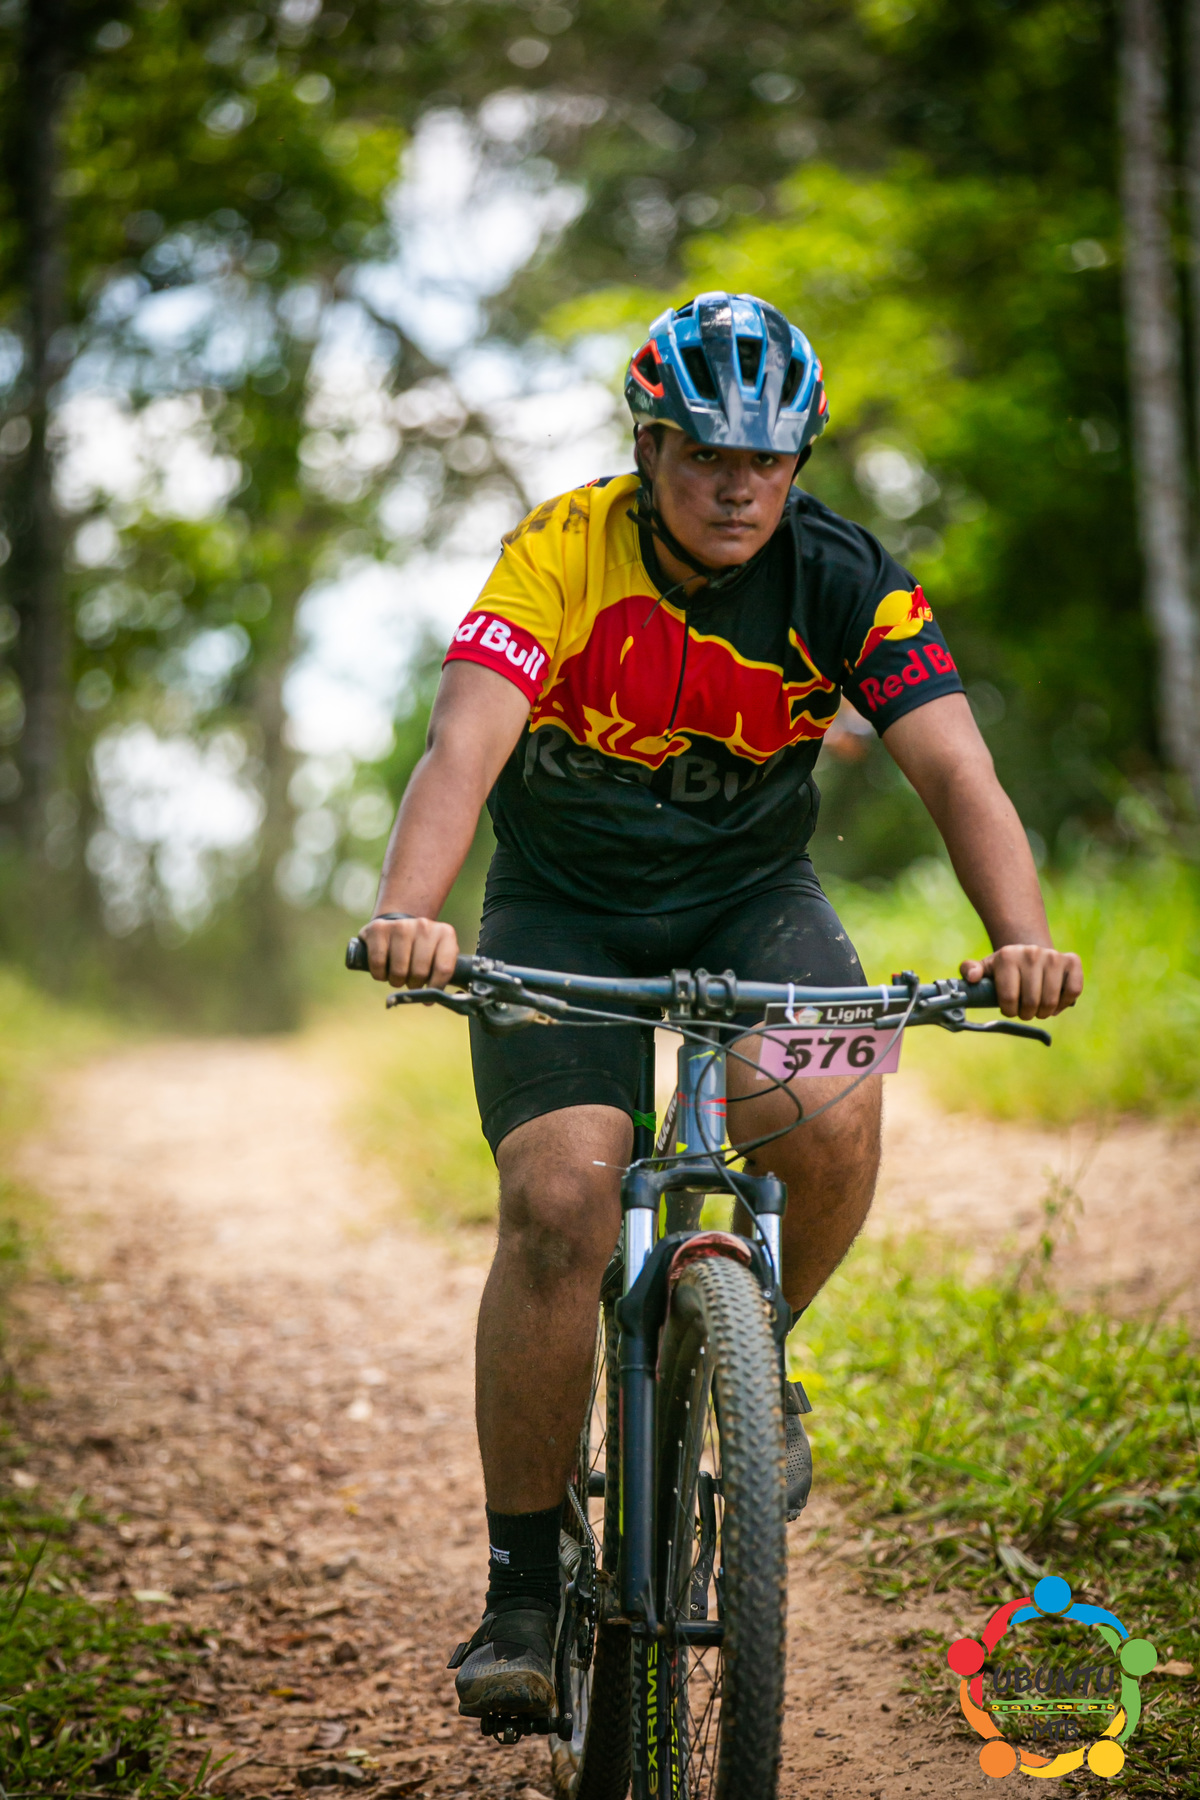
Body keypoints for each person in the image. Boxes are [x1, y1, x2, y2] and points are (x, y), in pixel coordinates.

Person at [360, 291, 1083, 1721]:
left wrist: (1024, 942)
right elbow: (463, 743)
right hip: (562, 907)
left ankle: (755, 1360)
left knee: (832, 1100)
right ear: (650, 448)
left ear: (799, 462)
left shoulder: (846, 577)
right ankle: (521, 1588)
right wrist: (410, 913)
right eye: (705, 454)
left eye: (767, 458)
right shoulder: (562, 551)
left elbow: (956, 767)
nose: (738, 486)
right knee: (563, 1194)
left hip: (755, 896)